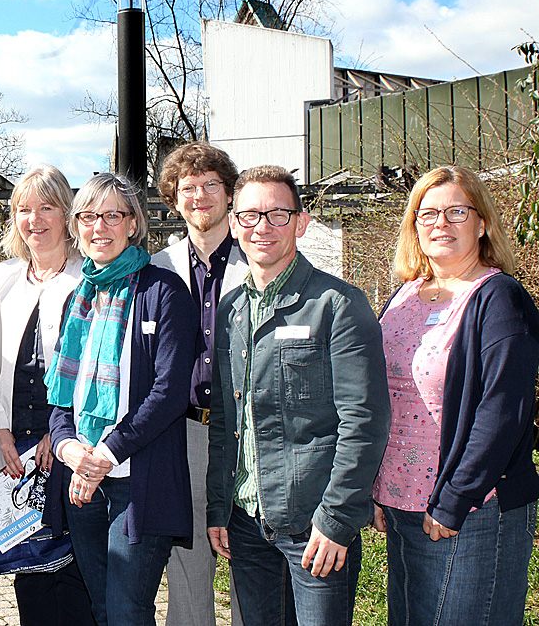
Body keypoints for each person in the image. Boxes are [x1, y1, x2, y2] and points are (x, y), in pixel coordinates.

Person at [206, 165, 390, 626]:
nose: (261, 227)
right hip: (245, 522)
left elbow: (364, 422)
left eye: (277, 214)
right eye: (248, 215)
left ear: (301, 223)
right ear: (233, 225)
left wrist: (338, 519)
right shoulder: (231, 311)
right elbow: (227, 421)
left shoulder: (338, 305)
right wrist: (218, 508)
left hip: (314, 525)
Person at [370, 166, 539, 625]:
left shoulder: (499, 299)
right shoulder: (403, 296)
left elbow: (504, 412)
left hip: (471, 511)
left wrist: (455, 498)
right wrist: (379, 487)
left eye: (456, 212)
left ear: (482, 223)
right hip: (402, 506)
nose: (440, 223)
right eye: (427, 214)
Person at [46, 172, 195, 626]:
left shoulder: (163, 292)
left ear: (133, 224)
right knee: (101, 608)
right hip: (82, 479)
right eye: (88, 216)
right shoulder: (78, 297)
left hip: (137, 480)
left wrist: (106, 454)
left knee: (128, 611)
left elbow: (169, 393)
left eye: (113, 215)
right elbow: (59, 395)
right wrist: (68, 447)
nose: (99, 227)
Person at [0, 165, 92, 626]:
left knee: (75, 570)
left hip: (68, 443)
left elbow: (94, 366)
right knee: (27, 568)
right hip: (15, 446)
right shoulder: (0, 278)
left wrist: (59, 428)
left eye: (47, 207)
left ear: (67, 214)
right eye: (24, 209)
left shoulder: (90, 276)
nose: (35, 219)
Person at [149, 142, 246, 626]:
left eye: (212, 185)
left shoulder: (260, 260)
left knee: (250, 555)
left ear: (230, 195)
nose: (200, 196)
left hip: (248, 434)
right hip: (183, 432)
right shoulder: (159, 268)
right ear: (173, 199)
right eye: (189, 188)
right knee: (187, 561)